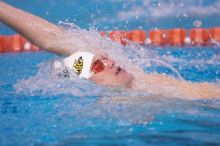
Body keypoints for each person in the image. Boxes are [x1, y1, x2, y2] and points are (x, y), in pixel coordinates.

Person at [0, 1, 219, 99]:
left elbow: (52, 38)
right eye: (98, 65)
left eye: (103, 58)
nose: (110, 62)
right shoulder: (114, 102)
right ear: (87, 83)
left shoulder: (136, 77)